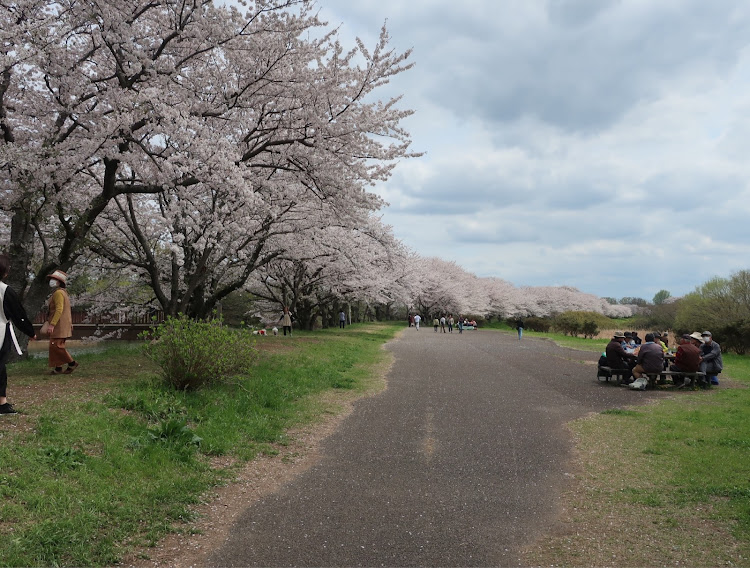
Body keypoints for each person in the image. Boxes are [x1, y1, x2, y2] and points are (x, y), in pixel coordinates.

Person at [0, 255, 37, 414]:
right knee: (0, 367)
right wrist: (30, 331)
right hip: (0, 332)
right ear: (5, 273)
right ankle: (2, 403)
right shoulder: (5, 291)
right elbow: (18, 315)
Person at [44, 269, 78, 375]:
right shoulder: (63, 293)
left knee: (56, 345)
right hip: (62, 324)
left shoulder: (58, 293)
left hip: (59, 324)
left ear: (59, 282)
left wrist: (52, 324)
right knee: (55, 345)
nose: (52, 281)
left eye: (54, 279)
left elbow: (59, 309)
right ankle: (58, 367)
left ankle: (71, 363)